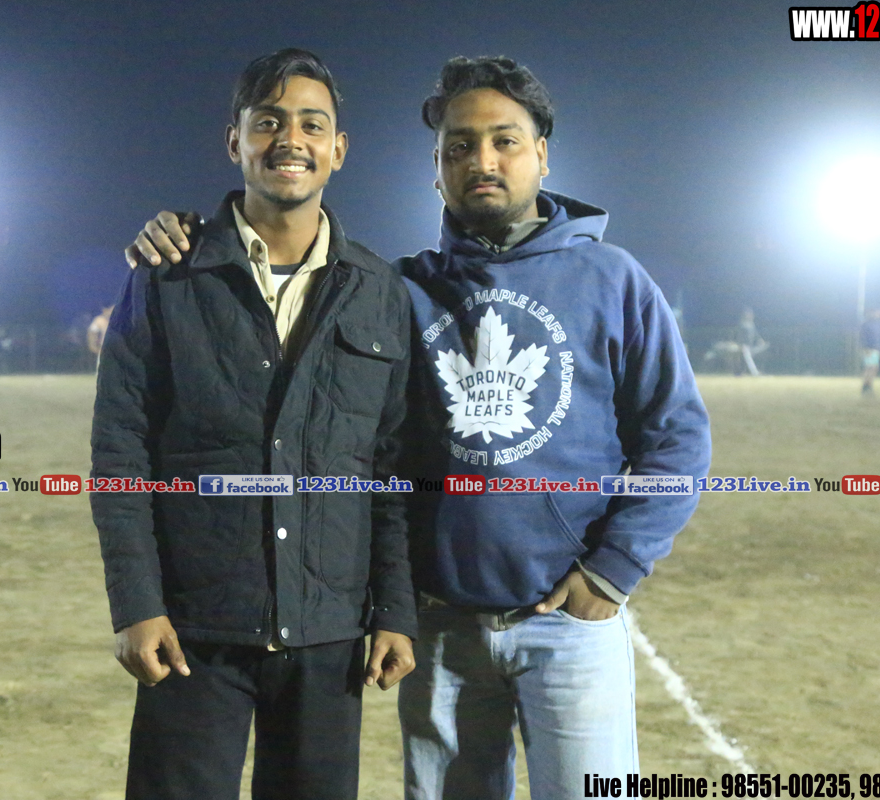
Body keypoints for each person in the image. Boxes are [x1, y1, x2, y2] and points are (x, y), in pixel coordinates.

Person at [127, 55, 711, 800]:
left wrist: (613, 568)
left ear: (541, 154)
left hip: (569, 623)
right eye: (459, 146)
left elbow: (677, 439)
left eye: (504, 141)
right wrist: (186, 233)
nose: (482, 161)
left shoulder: (615, 280)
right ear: (436, 170)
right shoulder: (397, 289)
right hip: (440, 628)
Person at [90, 49, 417, 800]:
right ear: (233, 140)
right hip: (195, 627)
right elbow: (120, 452)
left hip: (329, 632)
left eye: (312, 124)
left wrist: (395, 610)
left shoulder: (379, 292)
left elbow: (392, 468)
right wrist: (138, 603)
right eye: (268, 122)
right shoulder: (167, 275)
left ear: (339, 149)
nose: (290, 139)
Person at [735, 307, 767, 376]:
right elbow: (739, 335)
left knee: (745, 359)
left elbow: (755, 333)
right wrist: (740, 344)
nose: (750, 315)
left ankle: (740, 372)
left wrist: (760, 339)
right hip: (744, 345)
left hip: (751, 345)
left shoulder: (751, 324)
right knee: (748, 358)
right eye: (748, 314)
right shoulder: (742, 324)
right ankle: (755, 372)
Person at [860, 308, 880, 394]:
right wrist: (865, 348)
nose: (879, 314)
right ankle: (865, 386)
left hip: (876, 348)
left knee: (874, 368)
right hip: (869, 348)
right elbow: (863, 336)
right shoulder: (866, 324)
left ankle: (868, 385)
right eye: (877, 312)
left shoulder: (879, 324)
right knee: (869, 367)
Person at [86, 304, 113, 369]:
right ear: (105, 310)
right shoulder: (99, 320)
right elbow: (92, 332)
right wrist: (93, 346)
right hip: (105, 348)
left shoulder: (119, 320)